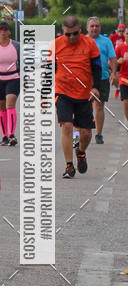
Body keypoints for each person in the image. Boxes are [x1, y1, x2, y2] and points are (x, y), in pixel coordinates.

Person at [51, 16, 100, 179]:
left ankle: (80, 151)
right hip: (63, 91)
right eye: (67, 34)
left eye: (74, 33)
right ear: (63, 32)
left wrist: (95, 88)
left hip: (84, 94)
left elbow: (97, 68)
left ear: (80, 29)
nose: (71, 37)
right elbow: (49, 70)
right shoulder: (56, 45)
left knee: (86, 133)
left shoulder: (90, 44)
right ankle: (69, 165)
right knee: (67, 126)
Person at [86, 16, 117, 144]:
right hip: (84, 79)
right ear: (87, 28)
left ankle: (98, 134)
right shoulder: (81, 40)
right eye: (92, 26)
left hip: (102, 78)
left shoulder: (106, 41)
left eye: (97, 26)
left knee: (99, 106)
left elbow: (113, 58)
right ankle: (77, 136)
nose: (94, 28)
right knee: (79, 107)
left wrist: (114, 73)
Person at [114, 26, 128, 125]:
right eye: (127, 33)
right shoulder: (120, 47)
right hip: (124, 78)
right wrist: (119, 61)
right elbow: (114, 62)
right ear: (124, 35)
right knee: (126, 101)